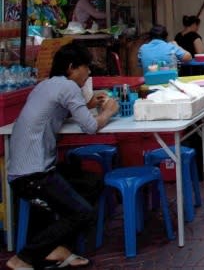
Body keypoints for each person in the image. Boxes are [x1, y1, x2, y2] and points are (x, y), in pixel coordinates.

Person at [6, 42, 119, 270]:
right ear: (71, 67)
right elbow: (89, 127)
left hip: (25, 171)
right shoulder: (68, 87)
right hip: (33, 176)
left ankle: (57, 249)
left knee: (90, 183)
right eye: (85, 68)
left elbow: (60, 111)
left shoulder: (45, 86)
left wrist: (85, 104)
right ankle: (23, 258)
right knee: (83, 213)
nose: (88, 74)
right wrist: (108, 111)